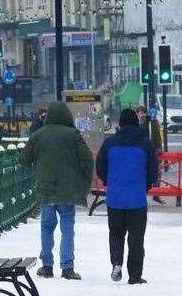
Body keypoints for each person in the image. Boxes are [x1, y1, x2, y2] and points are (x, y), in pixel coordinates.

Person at [20, 101, 93, 280]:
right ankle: (67, 267)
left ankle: (47, 266)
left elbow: (24, 160)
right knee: (67, 229)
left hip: (46, 189)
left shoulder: (38, 135)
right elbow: (88, 159)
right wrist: (84, 181)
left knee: (46, 228)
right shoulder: (73, 135)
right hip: (68, 191)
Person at [96, 109, 158, 285]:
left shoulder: (109, 144)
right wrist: (145, 185)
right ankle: (135, 276)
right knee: (136, 238)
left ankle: (116, 262)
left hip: (115, 198)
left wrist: (110, 181)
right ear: (136, 123)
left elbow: (100, 166)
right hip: (137, 200)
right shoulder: (146, 144)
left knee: (116, 233)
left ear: (120, 124)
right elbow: (153, 170)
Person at [136, 105, 164, 204]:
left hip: (152, 151)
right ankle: (141, 194)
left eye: (144, 113)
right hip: (140, 152)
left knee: (157, 172)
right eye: (140, 113)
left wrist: (159, 149)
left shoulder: (152, 122)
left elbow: (157, 137)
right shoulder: (135, 124)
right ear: (137, 114)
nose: (142, 115)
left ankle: (156, 194)